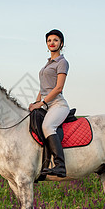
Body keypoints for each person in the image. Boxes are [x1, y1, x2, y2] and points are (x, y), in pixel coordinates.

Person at [29, 29, 70, 178]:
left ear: (61, 43)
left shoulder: (62, 62)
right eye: (49, 41)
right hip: (45, 103)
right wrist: (36, 102)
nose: (52, 43)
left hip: (58, 105)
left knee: (48, 126)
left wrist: (41, 103)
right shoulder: (47, 64)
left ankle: (60, 165)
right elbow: (43, 88)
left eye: (55, 40)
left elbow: (58, 88)